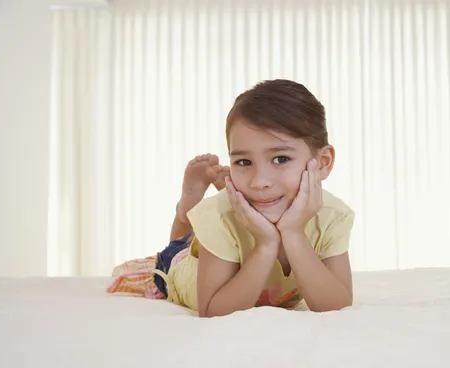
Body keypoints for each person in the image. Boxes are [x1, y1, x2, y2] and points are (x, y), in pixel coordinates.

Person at [107, 79, 355, 317]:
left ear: (322, 163)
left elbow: (338, 305)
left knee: (220, 225)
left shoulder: (332, 215)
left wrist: (293, 233)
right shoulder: (219, 215)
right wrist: (266, 244)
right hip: (182, 269)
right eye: (244, 162)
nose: (259, 181)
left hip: (232, 237)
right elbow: (214, 311)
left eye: (281, 159)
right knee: (176, 253)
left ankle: (207, 208)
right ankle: (187, 211)